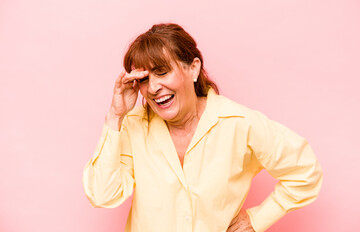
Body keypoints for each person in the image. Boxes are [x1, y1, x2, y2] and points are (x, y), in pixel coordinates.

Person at [82, 23, 323, 232]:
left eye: (162, 72)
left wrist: (257, 219)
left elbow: (305, 171)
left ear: (193, 68)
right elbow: (103, 195)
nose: (153, 87)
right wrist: (116, 115)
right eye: (144, 79)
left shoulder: (238, 123)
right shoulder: (133, 125)